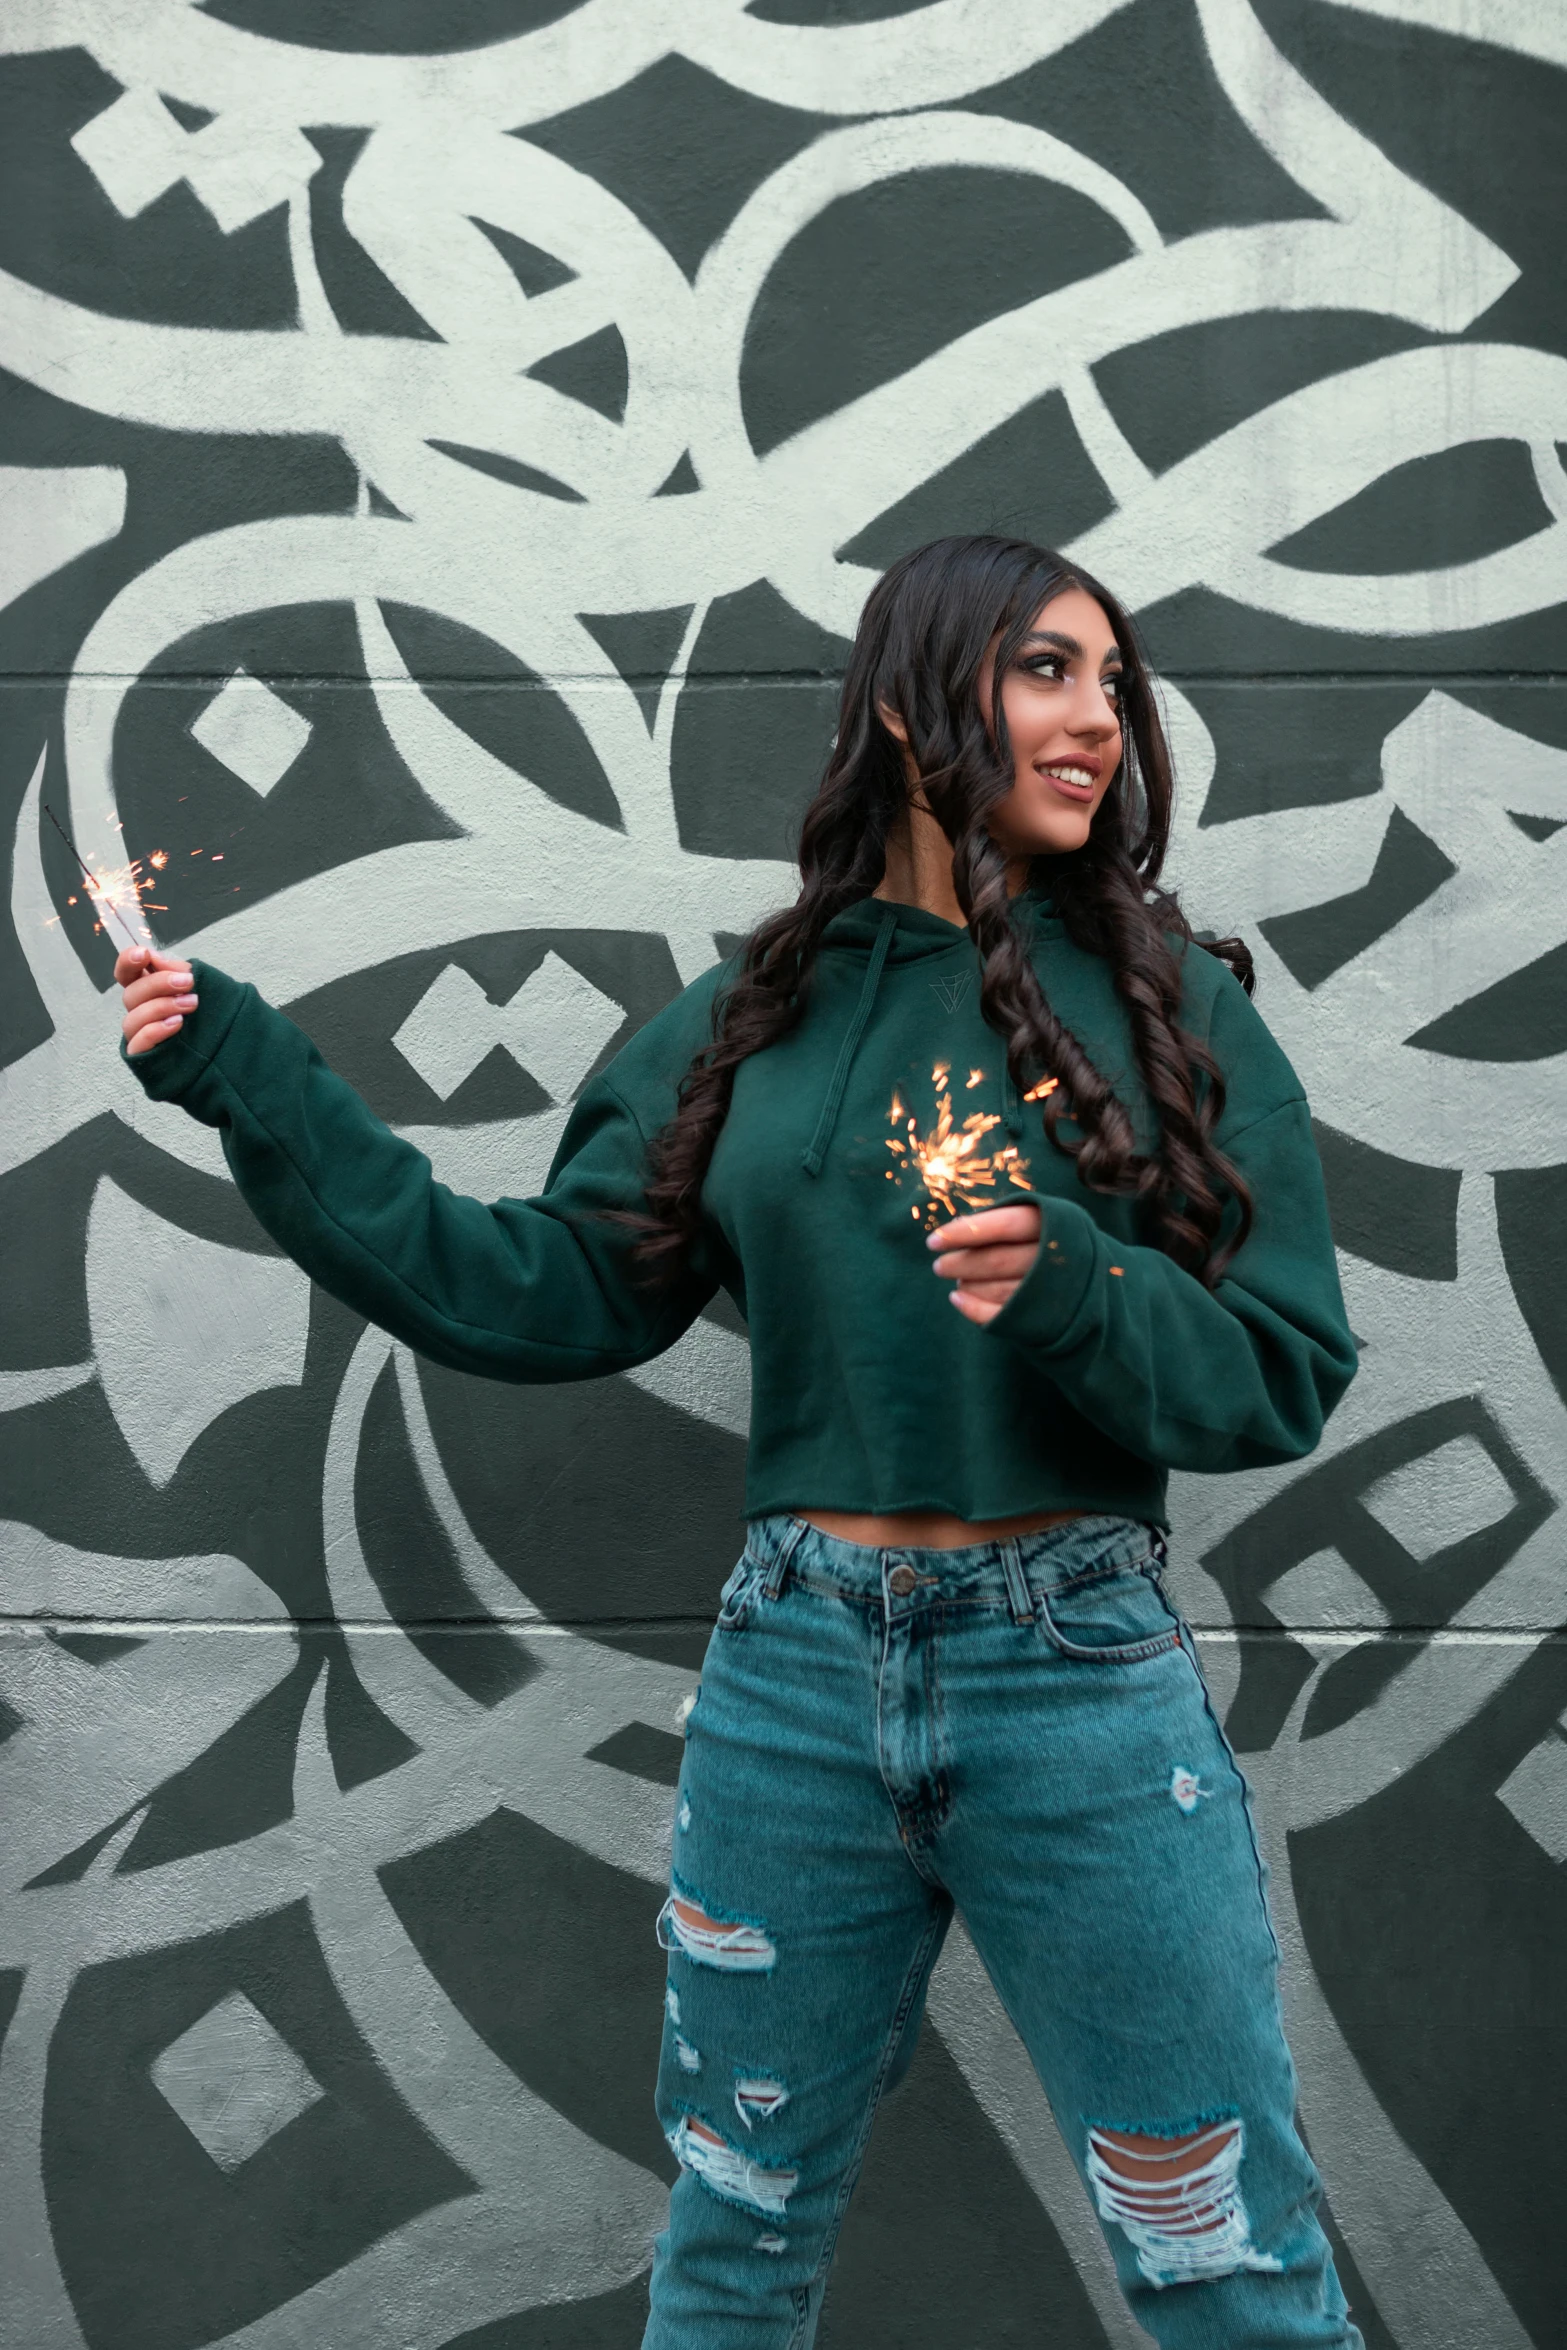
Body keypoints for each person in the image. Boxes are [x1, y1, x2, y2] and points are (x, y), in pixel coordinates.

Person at [117, 535, 1362, 2346]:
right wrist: (246, 1065)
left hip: (1077, 1680)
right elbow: (527, 1290)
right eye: (1044, 670)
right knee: (730, 2254)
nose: (1097, 718)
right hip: (794, 1678)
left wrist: (1072, 1281)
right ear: (907, 704)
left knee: (1224, 2263)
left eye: (1111, 680)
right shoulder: (749, 1023)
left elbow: (1282, 1367)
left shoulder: (1176, 1010)